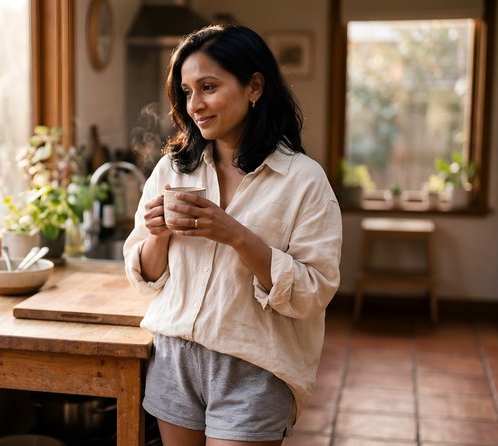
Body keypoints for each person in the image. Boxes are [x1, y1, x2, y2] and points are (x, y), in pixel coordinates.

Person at [123, 24, 342, 446]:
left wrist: (236, 235)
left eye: (208, 87)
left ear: (254, 86)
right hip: (174, 356)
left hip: (254, 365)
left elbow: (315, 290)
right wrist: (157, 234)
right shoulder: (172, 170)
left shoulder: (303, 181)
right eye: (186, 92)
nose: (195, 104)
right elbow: (147, 277)